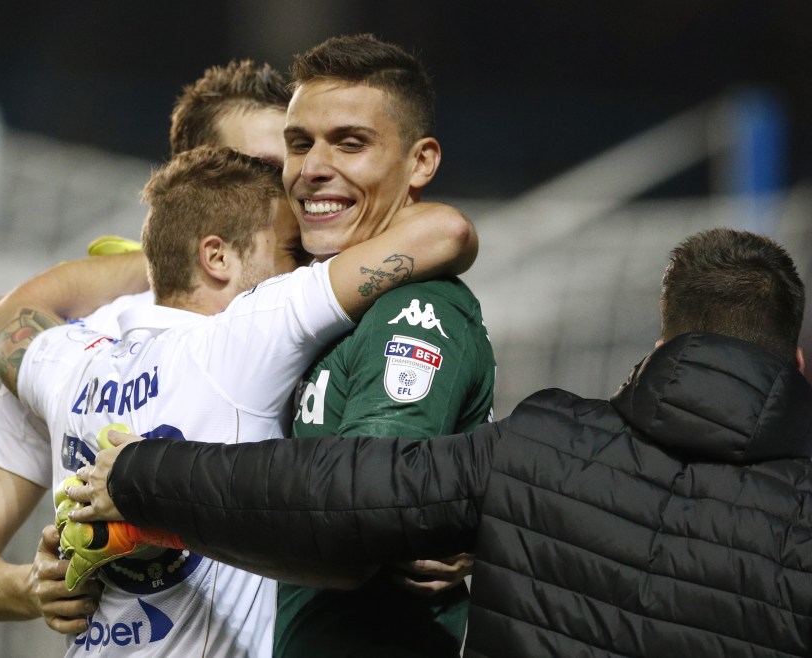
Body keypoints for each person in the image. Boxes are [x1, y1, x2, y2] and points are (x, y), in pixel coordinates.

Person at [68, 227, 812, 657]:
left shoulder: (544, 450)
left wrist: (142, 475)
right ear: (798, 361)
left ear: (659, 344)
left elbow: (340, 492)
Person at [0, 145, 477, 657]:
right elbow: (446, 232)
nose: (307, 263)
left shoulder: (75, 363)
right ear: (217, 257)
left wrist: (160, 252)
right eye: (291, 252)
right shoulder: (243, 338)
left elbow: (2, 315)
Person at [0, 59, 302, 635]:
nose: (288, 192)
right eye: (257, 170)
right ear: (195, 179)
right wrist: (30, 586)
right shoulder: (84, 354)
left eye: (292, 166)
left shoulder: (322, 315)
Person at [280, 33, 496, 657]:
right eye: (300, 144)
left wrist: (167, 498)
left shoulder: (412, 310)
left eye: (350, 143)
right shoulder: (301, 298)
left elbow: (361, 508)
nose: (313, 166)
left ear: (421, 163)